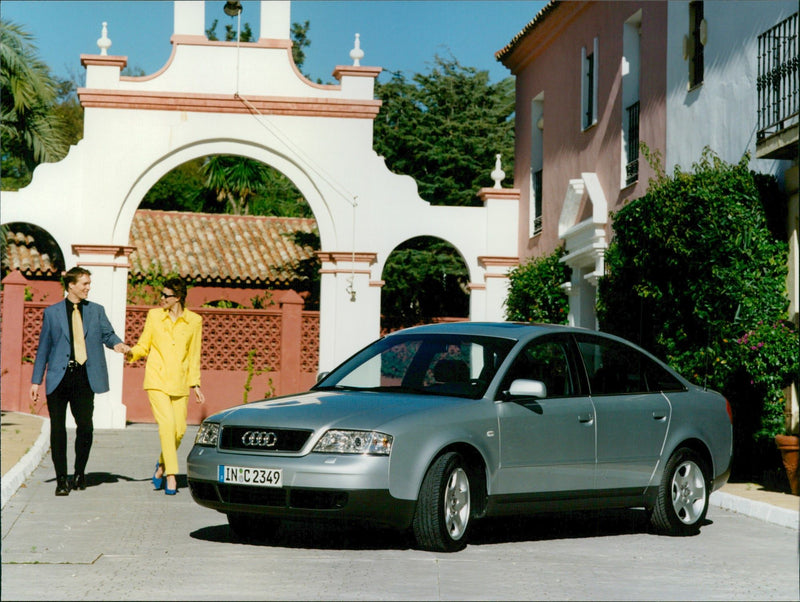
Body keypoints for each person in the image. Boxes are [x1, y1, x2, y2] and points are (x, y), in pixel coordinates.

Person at [30, 267, 130, 496]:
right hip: (58, 378)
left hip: (85, 378)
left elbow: (108, 335)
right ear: (71, 285)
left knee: (85, 427)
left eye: (89, 283)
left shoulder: (96, 311)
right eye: (84, 283)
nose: (88, 287)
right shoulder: (52, 312)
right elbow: (43, 348)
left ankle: (79, 472)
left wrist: (119, 345)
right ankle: (61, 480)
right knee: (58, 429)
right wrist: (36, 381)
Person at [127, 277, 204, 495]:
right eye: (161, 294)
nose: (161, 298)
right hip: (157, 380)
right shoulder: (154, 316)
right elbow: (144, 345)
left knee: (179, 431)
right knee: (167, 426)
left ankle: (160, 466)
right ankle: (171, 475)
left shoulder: (194, 321)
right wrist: (131, 351)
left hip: (179, 382)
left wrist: (195, 384)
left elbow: (193, 355)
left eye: (165, 295)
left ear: (177, 298)